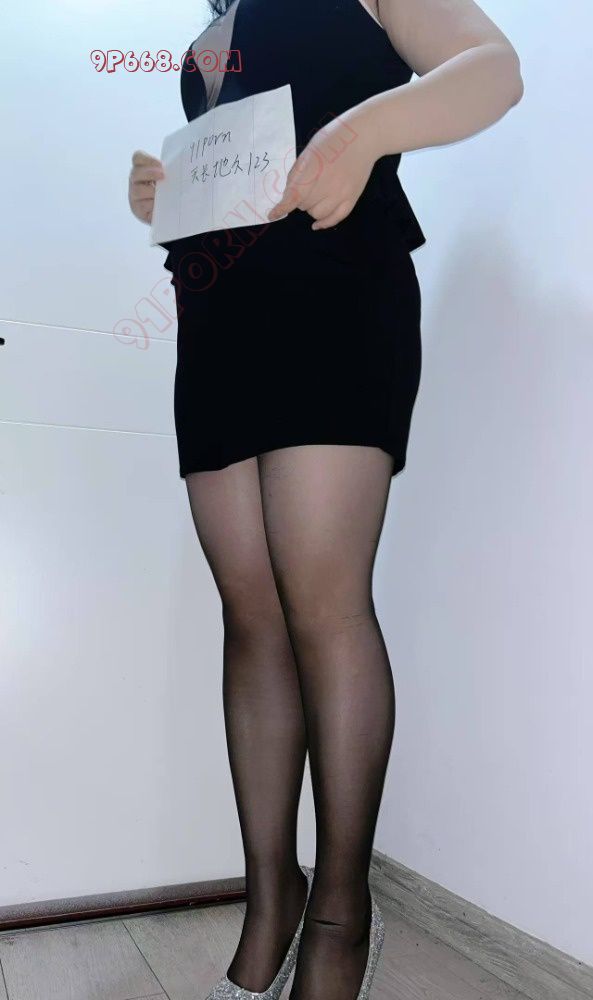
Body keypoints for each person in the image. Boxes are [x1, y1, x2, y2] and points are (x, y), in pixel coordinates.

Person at [128, 2, 523, 998]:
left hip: (335, 289)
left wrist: (366, 130)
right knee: (251, 616)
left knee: (323, 605)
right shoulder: (211, 24)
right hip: (219, 314)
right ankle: (272, 897)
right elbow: (252, 162)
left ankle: (342, 915)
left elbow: (492, 68)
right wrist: (167, 195)